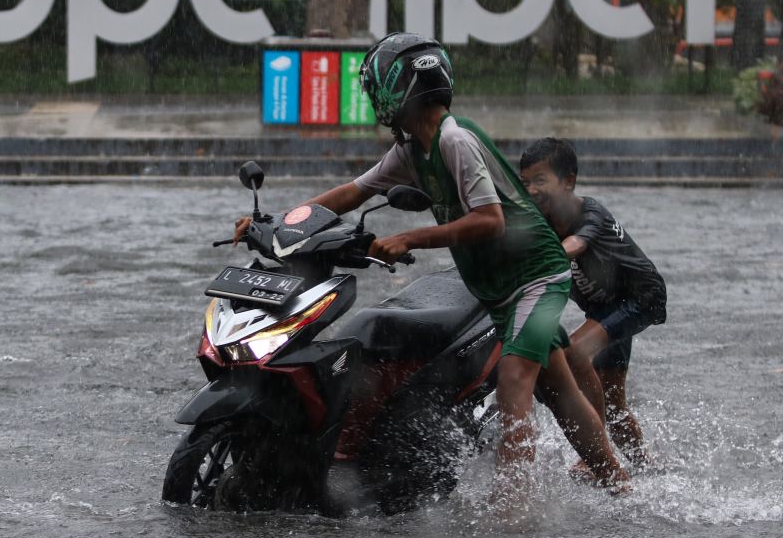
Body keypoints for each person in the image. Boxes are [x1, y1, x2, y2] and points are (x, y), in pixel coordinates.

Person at [234, 32, 630, 505]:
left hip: (537, 278)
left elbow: (490, 219)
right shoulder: (410, 153)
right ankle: (622, 487)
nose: (374, 100)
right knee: (561, 393)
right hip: (501, 289)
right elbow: (351, 193)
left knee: (514, 379)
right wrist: (281, 222)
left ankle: (513, 513)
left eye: (377, 88)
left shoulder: (454, 140)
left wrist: (410, 237)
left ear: (400, 87)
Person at [519, 137, 665, 470]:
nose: (531, 190)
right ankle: (648, 468)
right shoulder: (540, 223)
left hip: (641, 298)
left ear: (568, 180)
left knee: (573, 353)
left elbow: (575, 245)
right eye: (525, 182)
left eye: (540, 180)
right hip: (605, 309)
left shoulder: (590, 213)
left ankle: (595, 450)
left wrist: (540, 256)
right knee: (614, 404)